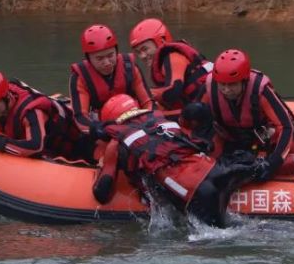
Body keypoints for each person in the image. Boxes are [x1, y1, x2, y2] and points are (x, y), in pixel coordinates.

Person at [91, 94, 258, 228]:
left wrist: (103, 165)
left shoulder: (116, 143)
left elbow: (102, 193)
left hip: (198, 193)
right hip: (216, 170)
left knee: (219, 239)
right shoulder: (165, 123)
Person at [204, 49, 294, 180]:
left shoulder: (260, 90)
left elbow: (287, 126)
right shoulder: (210, 87)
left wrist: (273, 162)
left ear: (244, 80)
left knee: (283, 159)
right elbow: (195, 121)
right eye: (223, 84)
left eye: (232, 85)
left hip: (265, 138)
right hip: (234, 141)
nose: (227, 90)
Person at [69, 23, 153, 138]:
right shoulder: (80, 77)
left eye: (110, 55)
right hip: (103, 129)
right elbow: (80, 117)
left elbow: (148, 103)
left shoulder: (130, 67)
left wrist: (147, 123)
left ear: (116, 51)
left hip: (136, 123)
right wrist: (103, 131)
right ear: (88, 58)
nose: (107, 63)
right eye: (99, 58)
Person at [128, 18, 212, 111]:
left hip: (210, 107)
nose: (142, 56)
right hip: (200, 105)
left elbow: (173, 90)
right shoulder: (162, 63)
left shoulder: (173, 56)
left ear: (162, 40)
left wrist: (143, 93)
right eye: (138, 52)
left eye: (145, 49)